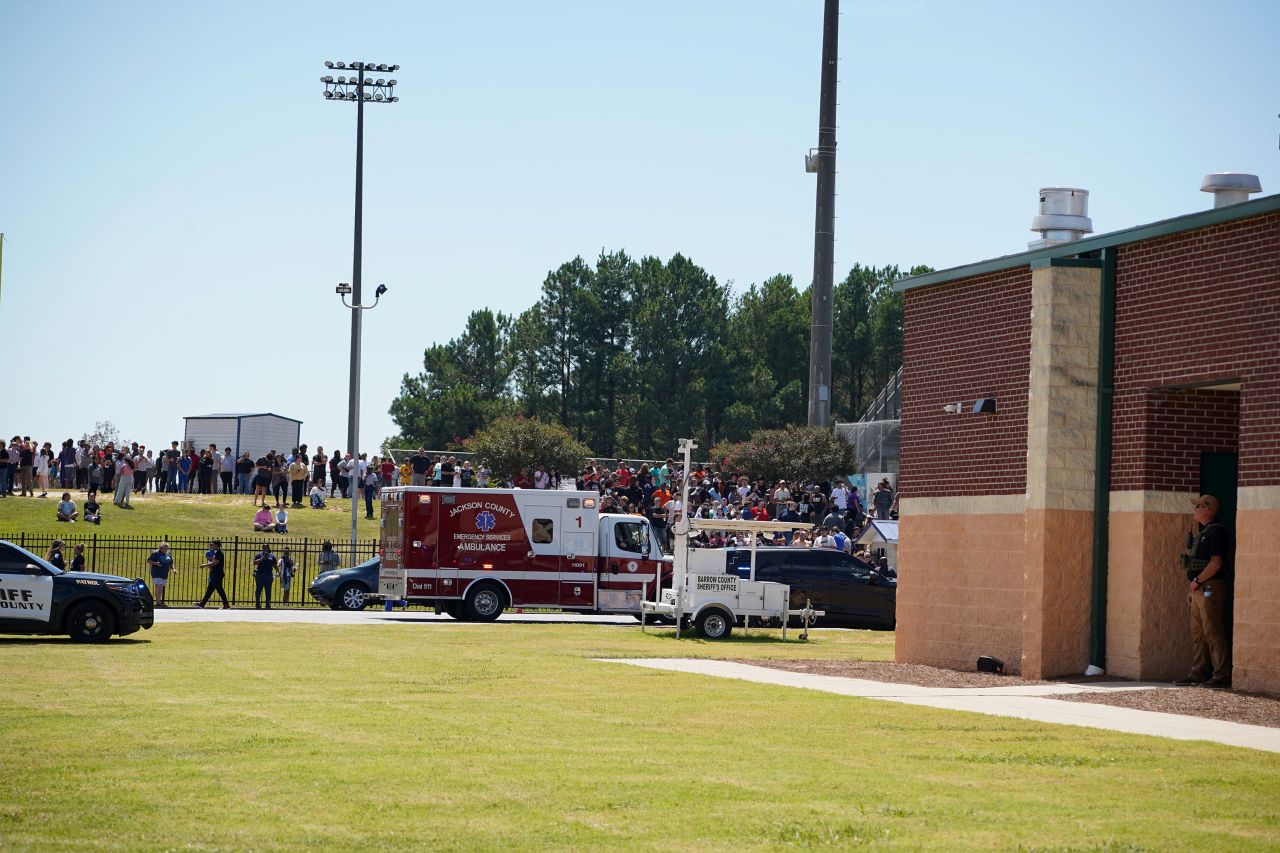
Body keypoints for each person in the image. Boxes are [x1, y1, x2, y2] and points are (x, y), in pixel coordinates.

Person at [1174, 495, 1233, 688]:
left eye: (1198, 506)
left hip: (1210, 588)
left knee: (1213, 632)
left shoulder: (1216, 532)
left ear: (1208, 509)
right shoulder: (1203, 532)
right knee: (1198, 634)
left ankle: (1221, 675)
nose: (1195, 510)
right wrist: (1194, 586)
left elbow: (1216, 563)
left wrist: (1198, 581)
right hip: (1199, 589)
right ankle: (1198, 673)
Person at [193, 539, 230, 609]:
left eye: (213, 544)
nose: (211, 546)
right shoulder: (216, 552)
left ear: (216, 545)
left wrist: (205, 565)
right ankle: (202, 604)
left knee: (219, 590)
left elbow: (215, 562)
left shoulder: (219, 553)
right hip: (214, 574)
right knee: (210, 589)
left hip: (217, 574)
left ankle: (226, 604)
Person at [147, 541, 175, 607]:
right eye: (165, 548)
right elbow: (149, 560)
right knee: (159, 586)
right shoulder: (155, 553)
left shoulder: (168, 554)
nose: (166, 550)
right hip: (157, 572)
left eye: (167, 548)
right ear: (161, 547)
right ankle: (157, 602)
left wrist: (173, 569)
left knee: (161, 587)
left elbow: (171, 563)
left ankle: (158, 601)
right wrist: (157, 564)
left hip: (164, 573)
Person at [253, 544, 276, 609]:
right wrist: (262, 558)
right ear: (262, 549)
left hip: (269, 576)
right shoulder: (259, 555)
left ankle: (267, 604)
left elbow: (274, 565)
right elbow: (254, 563)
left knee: (268, 590)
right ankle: (257, 604)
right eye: (264, 548)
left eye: (266, 548)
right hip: (260, 575)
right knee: (258, 590)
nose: (265, 549)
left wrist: (278, 571)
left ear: (268, 549)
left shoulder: (272, 556)